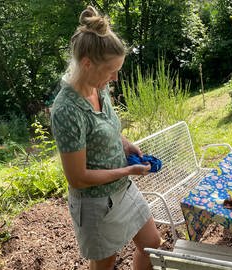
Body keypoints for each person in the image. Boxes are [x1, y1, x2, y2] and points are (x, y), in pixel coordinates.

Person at [50, 6, 161, 270]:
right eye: (111, 71)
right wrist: (128, 170)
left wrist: (125, 144)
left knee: (152, 244)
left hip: (123, 190)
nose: (115, 77)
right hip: (96, 204)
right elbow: (77, 177)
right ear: (87, 63)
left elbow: (106, 127)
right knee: (106, 263)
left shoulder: (99, 87)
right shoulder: (67, 110)